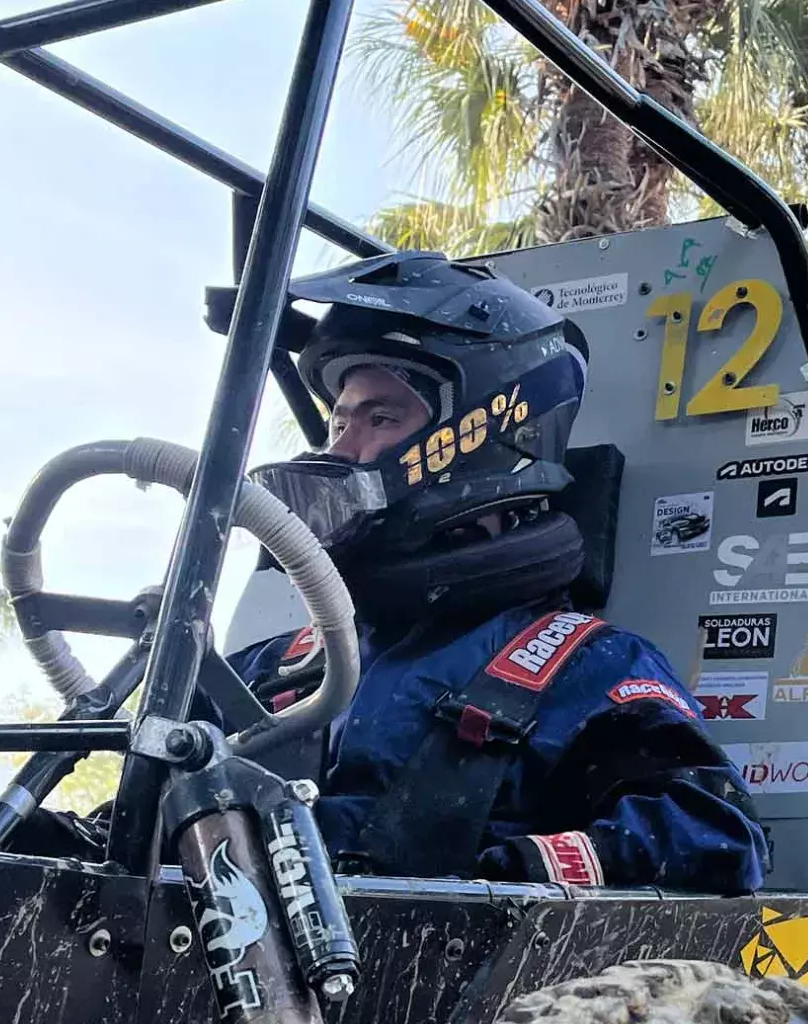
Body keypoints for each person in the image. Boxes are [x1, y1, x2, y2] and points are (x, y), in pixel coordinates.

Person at [231, 252, 768, 893]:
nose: (340, 449)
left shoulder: (587, 666)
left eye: (380, 418)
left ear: (485, 434)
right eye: (339, 420)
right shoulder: (274, 665)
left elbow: (716, 835)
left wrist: (499, 880)